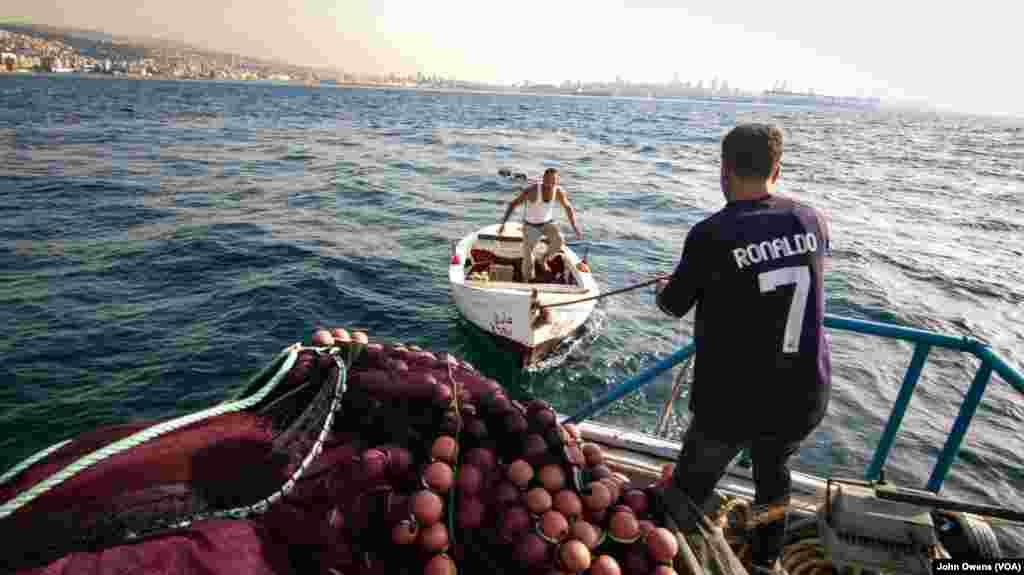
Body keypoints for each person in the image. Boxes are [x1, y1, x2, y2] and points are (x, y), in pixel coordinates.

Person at [652, 123, 832, 574]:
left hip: (733, 400)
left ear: (724, 169)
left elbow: (674, 304)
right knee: (774, 477)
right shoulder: (812, 220)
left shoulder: (712, 233)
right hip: (803, 392)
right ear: (778, 166)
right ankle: (768, 562)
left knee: (687, 492)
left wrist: (664, 288)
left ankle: (678, 556)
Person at [498, 167, 583, 282]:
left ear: (557, 181)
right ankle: (527, 281)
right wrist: (503, 223)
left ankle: (543, 259)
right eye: (548, 179)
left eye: (554, 180)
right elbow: (513, 204)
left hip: (547, 223)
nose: (551, 182)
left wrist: (574, 226)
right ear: (543, 179)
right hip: (530, 226)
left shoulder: (558, 191)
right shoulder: (532, 190)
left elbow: (568, 207)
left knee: (559, 241)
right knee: (528, 258)